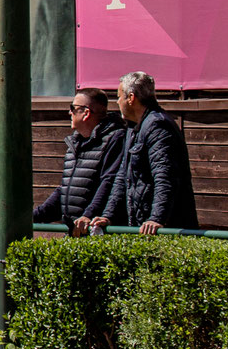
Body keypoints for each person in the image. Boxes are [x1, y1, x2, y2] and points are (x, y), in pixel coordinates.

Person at [83, 71, 198, 236]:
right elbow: (123, 176)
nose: (117, 102)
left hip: (165, 229)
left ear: (131, 98)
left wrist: (157, 218)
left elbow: (165, 176)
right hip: (141, 225)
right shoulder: (133, 127)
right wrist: (108, 216)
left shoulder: (157, 126)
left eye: (119, 97)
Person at [35, 88, 125, 228]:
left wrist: (88, 215)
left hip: (94, 229)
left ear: (86, 113)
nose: (69, 112)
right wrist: (37, 214)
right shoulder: (75, 143)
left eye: (73, 108)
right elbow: (66, 188)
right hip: (75, 228)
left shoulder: (114, 139)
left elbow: (108, 182)